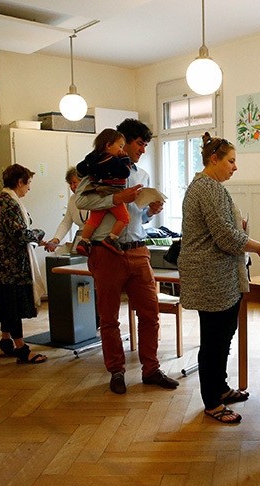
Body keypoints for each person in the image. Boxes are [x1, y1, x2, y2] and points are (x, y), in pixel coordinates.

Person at [180, 133, 260, 424]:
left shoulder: (209, 187)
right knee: (213, 341)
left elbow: (221, 228)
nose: (235, 167)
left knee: (223, 337)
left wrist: (240, 228)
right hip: (211, 277)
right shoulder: (207, 188)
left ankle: (220, 388)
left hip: (219, 276)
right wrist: (259, 247)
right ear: (214, 160)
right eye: (231, 161)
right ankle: (212, 402)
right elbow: (225, 237)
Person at [74, 118, 176, 395]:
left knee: (150, 314)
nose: (143, 149)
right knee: (109, 318)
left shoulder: (142, 175)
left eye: (145, 145)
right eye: (139, 143)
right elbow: (81, 201)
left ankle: (151, 369)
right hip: (107, 251)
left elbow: (137, 217)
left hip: (138, 249)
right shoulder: (98, 168)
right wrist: (117, 199)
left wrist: (149, 212)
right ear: (123, 141)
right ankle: (116, 371)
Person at [0, 164, 48, 364]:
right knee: (13, 308)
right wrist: (39, 233)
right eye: (28, 183)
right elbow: (19, 234)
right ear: (19, 182)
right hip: (12, 266)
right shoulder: (7, 203)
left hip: (9, 264)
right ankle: (21, 348)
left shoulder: (6, 201)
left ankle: (6, 343)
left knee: (8, 306)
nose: (29, 188)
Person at [74, 129, 131, 255]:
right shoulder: (112, 159)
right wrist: (125, 159)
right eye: (120, 146)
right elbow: (125, 172)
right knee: (124, 218)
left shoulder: (91, 158)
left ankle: (84, 240)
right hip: (112, 191)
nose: (121, 150)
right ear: (108, 145)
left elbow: (79, 169)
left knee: (94, 220)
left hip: (96, 191)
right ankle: (112, 238)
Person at [44, 167, 89, 253]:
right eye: (70, 184)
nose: (72, 187)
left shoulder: (94, 196)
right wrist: (56, 239)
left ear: (83, 181)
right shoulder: (72, 199)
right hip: (80, 238)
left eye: (75, 183)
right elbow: (66, 222)